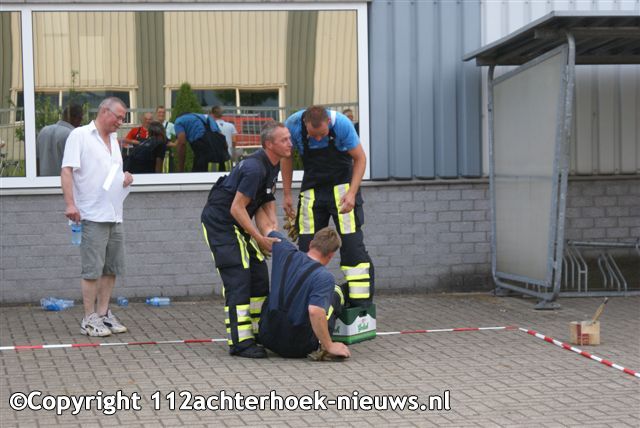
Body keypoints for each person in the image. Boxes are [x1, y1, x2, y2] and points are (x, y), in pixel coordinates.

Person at [201, 122, 292, 358]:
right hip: (222, 223)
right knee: (238, 278)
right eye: (284, 140)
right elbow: (237, 208)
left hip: (239, 223)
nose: (290, 144)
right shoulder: (254, 169)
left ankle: (258, 332)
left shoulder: (273, 164)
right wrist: (259, 237)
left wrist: (272, 230)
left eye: (290, 138)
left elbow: (266, 199)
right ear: (269, 144)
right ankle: (240, 342)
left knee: (259, 275)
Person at [283, 105, 374, 308]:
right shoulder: (293, 125)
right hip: (312, 191)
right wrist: (287, 194)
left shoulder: (342, 125)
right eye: (313, 135)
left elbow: (360, 158)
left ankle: (360, 305)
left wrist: (352, 193)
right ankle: (308, 301)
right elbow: (287, 157)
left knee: (351, 246)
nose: (317, 139)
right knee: (307, 247)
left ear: (329, 123)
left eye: (322, 134)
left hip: (342, 190)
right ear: (305, 124)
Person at [61, 97, 134, 337]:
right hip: (90, 214)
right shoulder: (80, 136)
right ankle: (88, 318)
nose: (121, 122)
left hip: (114, 213)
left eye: (123, 118)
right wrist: (70, 204)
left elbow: (110, 173)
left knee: (111, 268)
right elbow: (67, 170)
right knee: (92, 269)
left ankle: (103, 314)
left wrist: (124, 177)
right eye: (119, 117)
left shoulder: (113, 140)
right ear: (104, 111)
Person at [258, 226, 351, 359]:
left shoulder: (284, 249)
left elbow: (266, 225)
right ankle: (324, 344)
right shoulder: (324, 277)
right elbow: (315, 311)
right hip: (298, 347)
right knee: (336, 292)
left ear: (310, 244)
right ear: (331, 255)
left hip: (267, 337)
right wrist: (330, 346)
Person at [36, 104, 83, 176]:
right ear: (77, 118)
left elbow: (37, 161)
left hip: (43, 181)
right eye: (81, 119)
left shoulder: (43, 131)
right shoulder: (72, 135)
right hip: (63, 181)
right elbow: (77, 166)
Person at [211, 105, 237, 169]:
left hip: (214, 157)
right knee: (228, 173)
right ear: (222, 114)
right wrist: (233, 154)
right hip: (228, 156)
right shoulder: (231, 126)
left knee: (213, 173)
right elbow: (234, 141)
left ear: (212, 114)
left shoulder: (210, 126)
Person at [155, 105, 177, 173]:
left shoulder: (170, 125)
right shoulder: (153, 125)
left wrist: (174, 144)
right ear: (156, 113)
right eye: (159, 112)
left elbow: (180, 134)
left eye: (163, 112)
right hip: (154, 152)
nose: (161, 114)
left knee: (167, 172)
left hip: (166, 153)